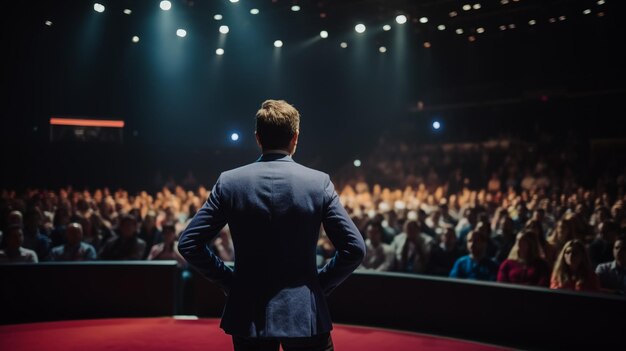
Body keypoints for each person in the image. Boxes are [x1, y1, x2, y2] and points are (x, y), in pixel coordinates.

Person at [178, 100, 365, 351]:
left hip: (248, 311)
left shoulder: (230, 182)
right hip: (304, 311)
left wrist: (229, 282)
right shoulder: (318, 183)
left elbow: (188, 243)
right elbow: (355, 248)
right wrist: (318, 286)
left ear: (258, 138)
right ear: (295, 138)